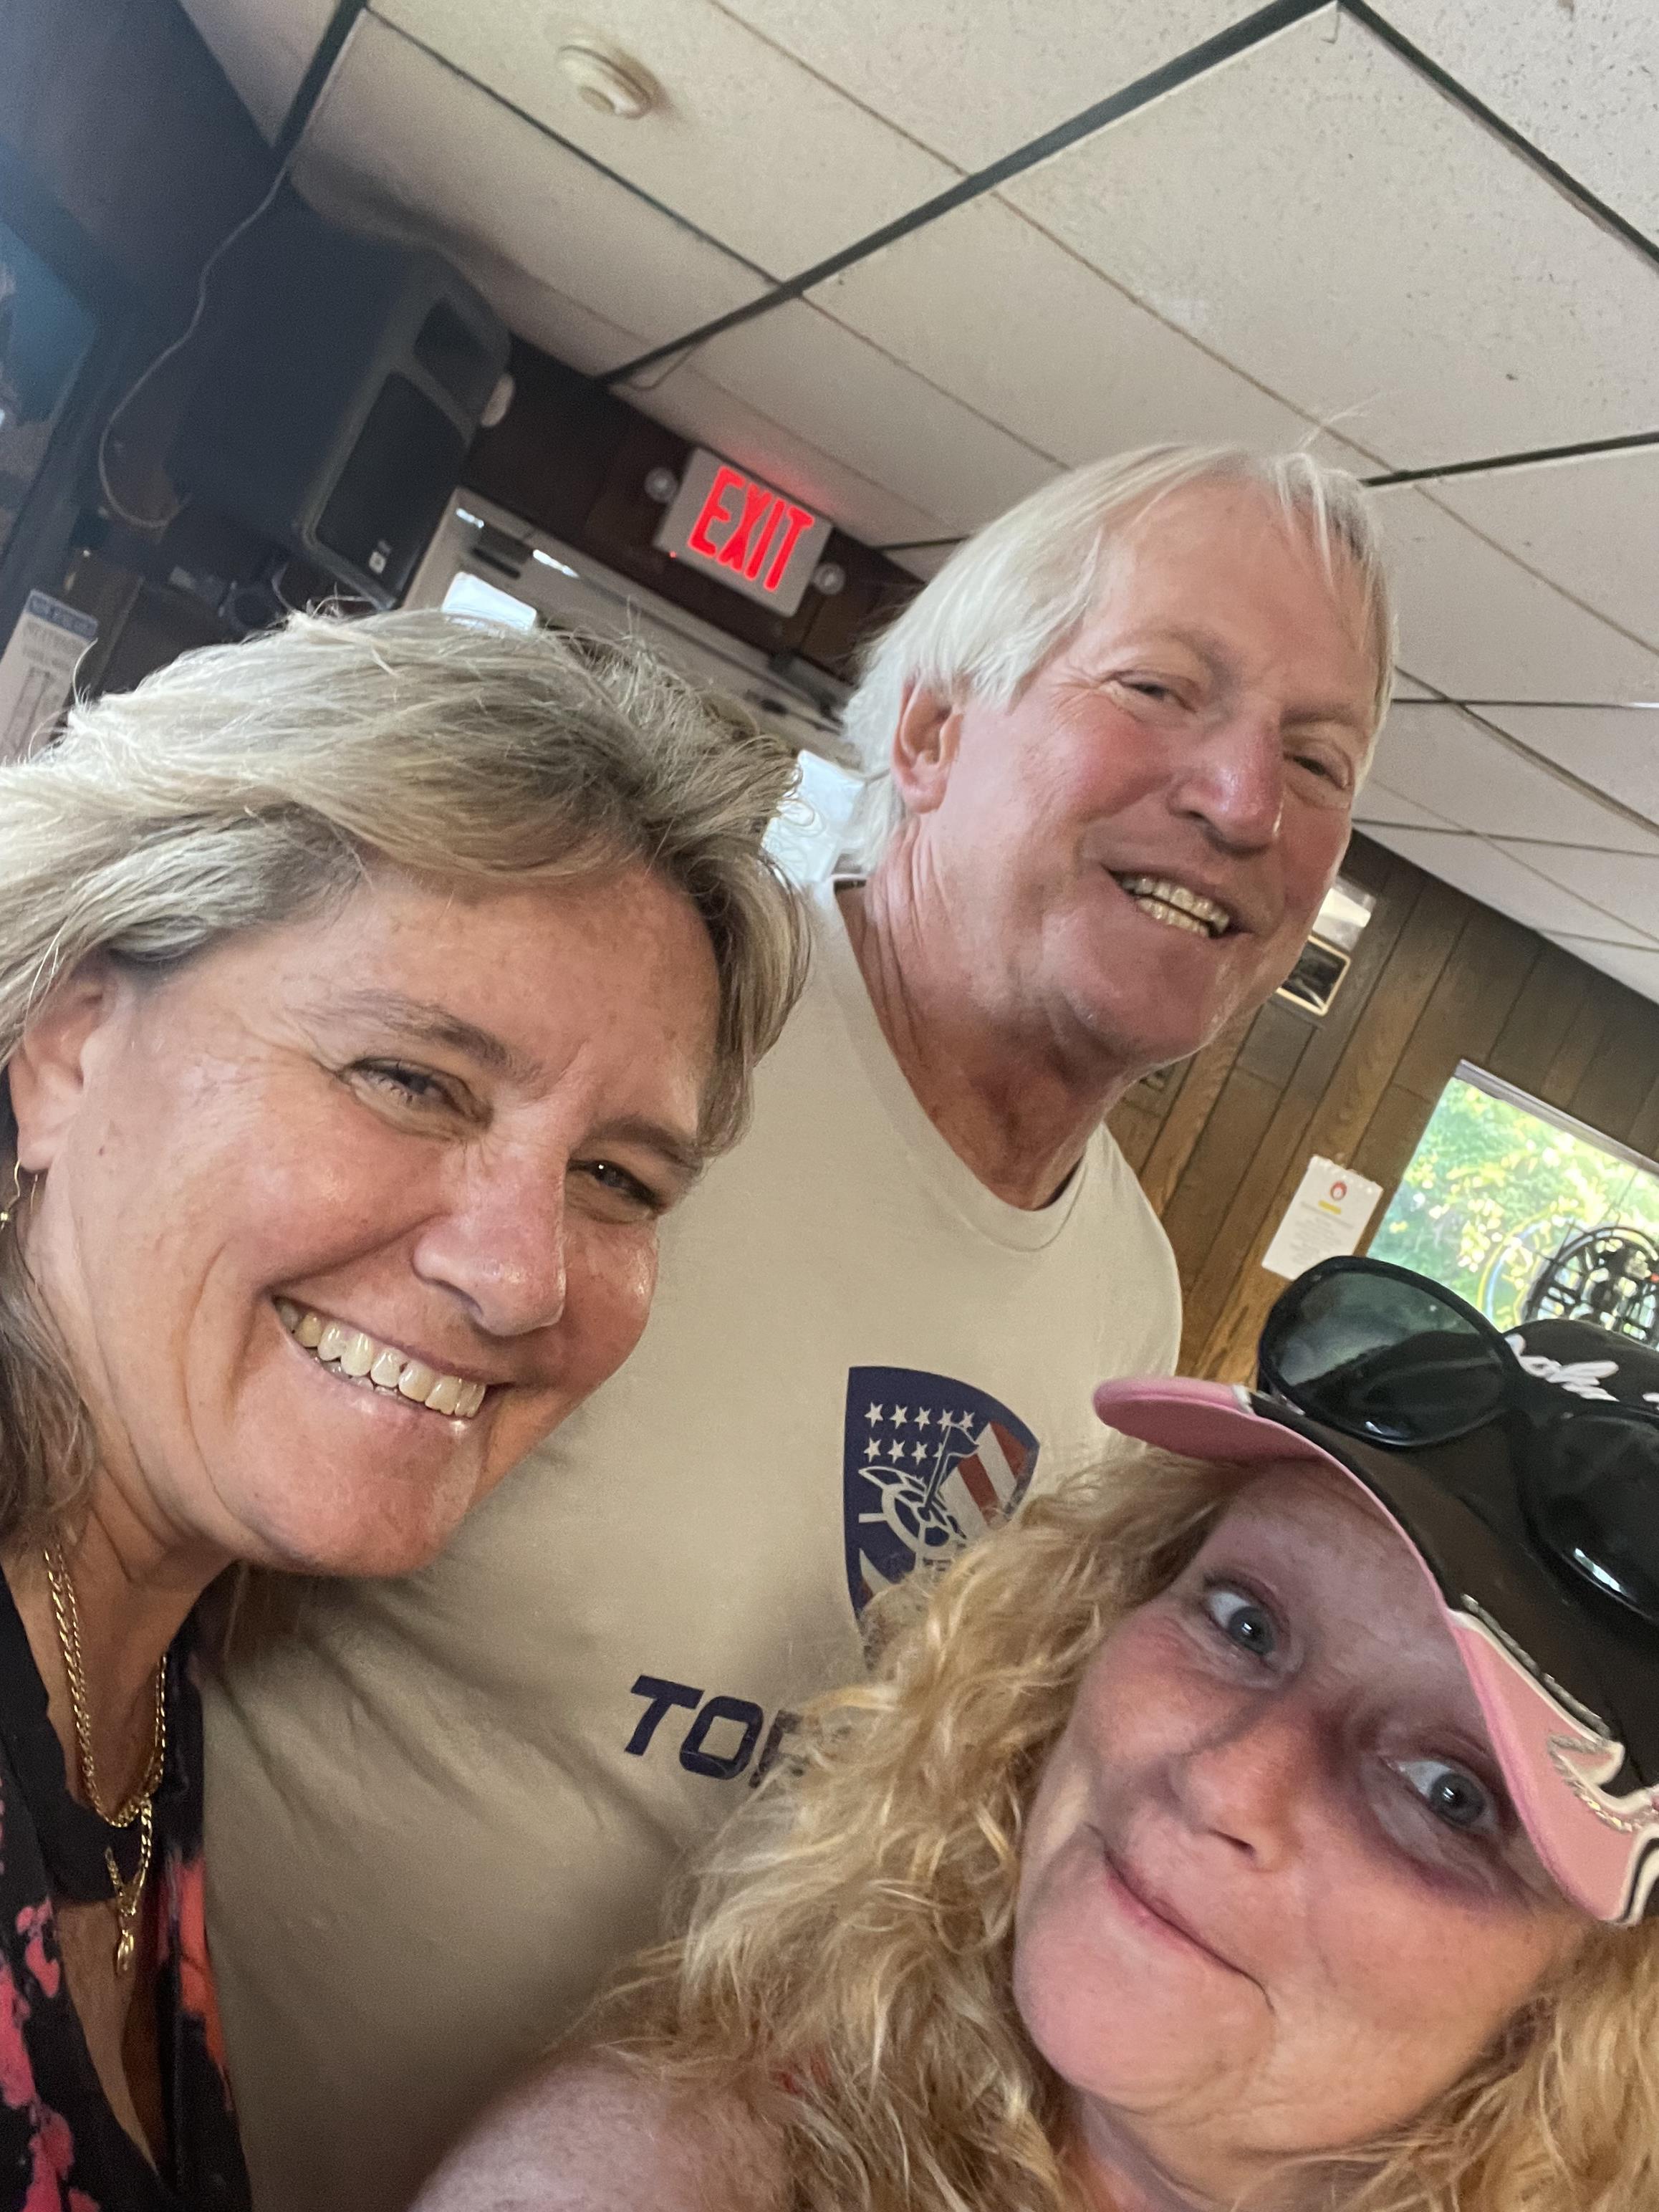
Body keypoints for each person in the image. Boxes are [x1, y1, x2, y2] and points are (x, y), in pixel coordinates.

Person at [206, 442, 1398, 2212]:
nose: (1244, 799)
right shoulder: (619, 1058)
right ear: (923, 739)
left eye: (1319, 762)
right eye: (1160, 689)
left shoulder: (1131, 1298)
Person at [0, 606, 802, 2207]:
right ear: (68, 1039)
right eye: (410, 1079)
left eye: (617, 1177)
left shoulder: (152, 1684)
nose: (522, 1275)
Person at [420, 1258, 1659, 2212]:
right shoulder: (664, 2170)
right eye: (1244, 1621)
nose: (1228, 1778)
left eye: (1451, 1792)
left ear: (1599, 1994)